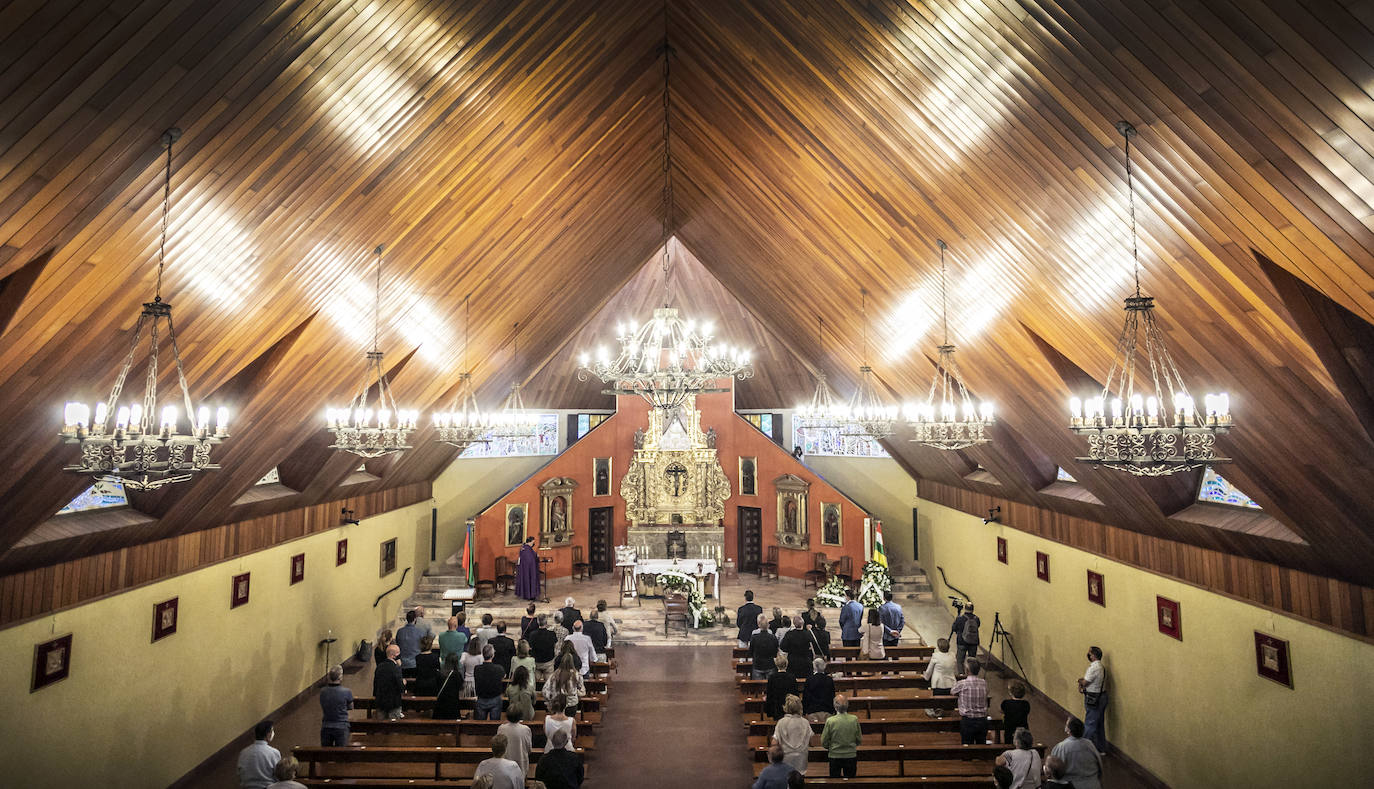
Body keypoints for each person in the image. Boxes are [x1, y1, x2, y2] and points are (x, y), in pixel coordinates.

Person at [1049, 717, 1102, 789]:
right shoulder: (1090, 744)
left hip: (1071, 786)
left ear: (1068, 730)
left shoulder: (1061, 747)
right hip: (1093, 784)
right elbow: (1100, 766)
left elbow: (1054, 771)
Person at [820, 694, 861, 778]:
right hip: (850, 755)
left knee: (835, 782)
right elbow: (859, 739)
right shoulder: (854, 719)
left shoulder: (830, 721)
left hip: (834, 755)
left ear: (835, 706)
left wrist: (830, 747)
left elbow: (824, 741)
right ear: (847, 706)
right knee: (850, 782)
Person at [951, 658, 989, 745]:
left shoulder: (962, 683)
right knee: (981, 744)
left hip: (968, 721)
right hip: (982, 720)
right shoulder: (984, 682)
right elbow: (987, 692)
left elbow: (952, 691)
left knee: (967, 745)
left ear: (967, 671)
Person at [1077, 646, 1107, 754]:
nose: (1088, 655)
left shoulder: (1094, 668)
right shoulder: (1101, 667)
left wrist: (1079, 681)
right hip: (1101, 696)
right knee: (1099, 724)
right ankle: (1100, 748)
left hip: (1093, 698)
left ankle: (1081, 748)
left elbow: (1085, 682)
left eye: (1089, 653)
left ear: (1093, 655)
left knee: (1090, 723)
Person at [773, 694, 811, 775]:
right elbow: (812, 740)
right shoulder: (805, 722)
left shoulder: (781, 722)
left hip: (786, 759)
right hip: (801, 761)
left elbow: (774, 742)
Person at [236, 720, 280, 789]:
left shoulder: (243, 752)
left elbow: (240, 774)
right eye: (272, 731)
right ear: (268, 734)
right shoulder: (274, 752)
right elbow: (279, 775)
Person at [923, 638, 959, 718]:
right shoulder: (953, 655)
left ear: (939, 647)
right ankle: (949, 719)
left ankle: (939, 719)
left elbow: (929, 670)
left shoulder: (935, 656)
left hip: (938, 684)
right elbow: (954, 669)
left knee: (938, 704)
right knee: (949, 705)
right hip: (951, 683)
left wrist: (926, 678)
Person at [319, 664, 353, 746]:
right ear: (340, 677)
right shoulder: (346, 691)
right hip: (342, 726)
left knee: (326, 754)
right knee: (341, 754)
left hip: (326, 725)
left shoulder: (323, 691)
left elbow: (322, 704)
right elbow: (350, 707)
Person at [473, 644, 507, 720]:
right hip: (495, 698)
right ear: (493, 655)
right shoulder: (499, 668)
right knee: (494, 725)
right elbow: (504, 676)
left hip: (481, 698)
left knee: (480, 726)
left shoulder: (477, 668)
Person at [373, 644, 405, 720]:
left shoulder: (379, 667)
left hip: (381, 701)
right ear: (394, 655)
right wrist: (403, 684)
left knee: (381, 725)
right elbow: (401, 687)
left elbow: (375, 683)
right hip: (394, 702)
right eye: (398, 653)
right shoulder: (396, 668)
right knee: (393, 726)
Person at [498, 706, 533, 776]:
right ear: (520, 716)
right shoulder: (526, 729)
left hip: (505, 765)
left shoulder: (501, 728)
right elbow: (529, 749)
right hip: (521, 765)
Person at [765, 654, 799, 721]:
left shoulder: (772, 677)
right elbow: (795, 693)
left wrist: (768, 710)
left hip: (776, 707)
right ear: (786, 664)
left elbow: (769, 694)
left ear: (776, 664)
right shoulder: (792, 677)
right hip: (789, 705)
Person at [802, 657, 836, 722]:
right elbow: (832, 696)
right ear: (824, 666)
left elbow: (806, 698)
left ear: (814, 667)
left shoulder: (809, 680)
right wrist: (833, 711)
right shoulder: (829, 680)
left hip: (812, 712)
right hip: (827, 711)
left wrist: (805, 712)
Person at [433, 654, 464, 719]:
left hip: (440, 705)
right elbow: (461, 688)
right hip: (452, 705)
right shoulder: (457, 675)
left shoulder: (439, 674)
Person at [749, 613, 779, 680]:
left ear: (759, 625)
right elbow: (775, 652)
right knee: (770, 687)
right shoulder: (773, 637)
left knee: (758, 688)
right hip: (770, 665)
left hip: (758, 665)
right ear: (768, 626)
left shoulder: (754, 638)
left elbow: (750, 652)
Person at [951, 602, 981, 668]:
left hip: (962, 641)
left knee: (960, 661)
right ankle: (971, 674)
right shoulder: (976, 619)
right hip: (973, 642)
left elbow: (954, 628)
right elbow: (977, 626)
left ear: (965, 608)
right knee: (972, 661)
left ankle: (961, 674)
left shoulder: (960, 618)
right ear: (973, 609)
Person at [529, 614, 558, 681]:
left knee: (535, 682)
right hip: (548, 662)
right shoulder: (551, 634)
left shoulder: (532, 634)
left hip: (537, 662)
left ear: (537, 622)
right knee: (548, 682)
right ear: (546, 622)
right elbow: (555, 645)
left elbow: (530, 646)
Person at [395, 610, 423, 674]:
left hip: (402, 664)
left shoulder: (400, 632)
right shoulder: (420, 632)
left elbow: (397, 645)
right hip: (415, 663)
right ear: (415, 619)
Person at [516, 535, 540, 600]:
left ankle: (526, 594)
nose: (533, 544)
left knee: (526, 580)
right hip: (530, 569)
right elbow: (531, 559)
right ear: (530, 542)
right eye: (533, 542)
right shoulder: (527, 549)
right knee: (530, 580)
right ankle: (530, 595)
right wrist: (537, 557)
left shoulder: (523, 548)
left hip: (524, 569)